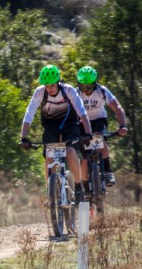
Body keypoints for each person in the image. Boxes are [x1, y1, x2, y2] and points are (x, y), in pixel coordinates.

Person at [19, 65, 92, 204]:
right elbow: (29, 114)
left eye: (52, 85)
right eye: (46, 85)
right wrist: (23, 137)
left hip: (70, 126)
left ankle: (78, 187)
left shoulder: (68, 90)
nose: (49, 88)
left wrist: (88, 133)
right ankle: (50, 192)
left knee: (70, 152)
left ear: (58, 81)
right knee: (49, 157)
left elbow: (82, 112)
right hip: (51, 127)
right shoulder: (40, 92)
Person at [75, 65, 128, 186]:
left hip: (98, 120)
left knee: (99, 139)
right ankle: (85, 190)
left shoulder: (102, 91)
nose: (86, 89)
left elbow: (117, 108)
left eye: (89, 86)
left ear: (95, 83)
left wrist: (122, 126)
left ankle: (108, 171)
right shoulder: (75, 93)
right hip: (81, 123)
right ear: (79, 84)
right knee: (83, 157)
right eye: (83, 86)